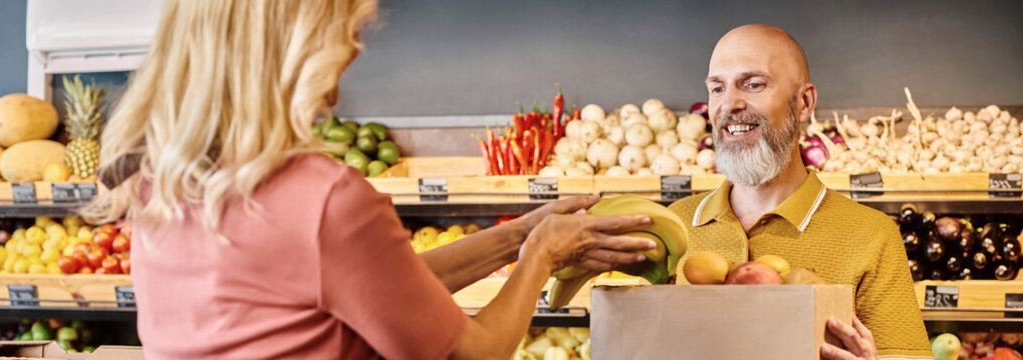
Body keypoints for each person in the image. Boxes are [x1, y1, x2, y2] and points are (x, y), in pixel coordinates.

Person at [83, 1, 657, 358]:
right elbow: (469, 356)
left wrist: (518, 236)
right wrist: (539, 260)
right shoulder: (324, 199)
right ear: (294, 45)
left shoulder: (159, 180)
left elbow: (376, 288)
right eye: (346, 31)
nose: (354, 51)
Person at [668, 25, 932, 359]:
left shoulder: (871, 236)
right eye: (717, 88)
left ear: (804, 103)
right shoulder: (675, 226)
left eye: (753, 84)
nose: (730, 104)